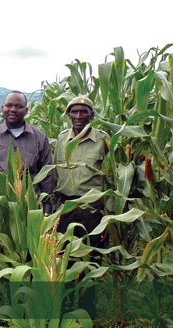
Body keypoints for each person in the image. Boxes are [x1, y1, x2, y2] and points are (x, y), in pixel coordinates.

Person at [0, 90, 53, 228]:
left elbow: (47, 178)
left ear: (26, 110)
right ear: (2, 108)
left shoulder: (39, 138)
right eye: (8, 105)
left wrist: (47, 213)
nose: (13, 109)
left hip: (30, 210)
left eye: (19, 106)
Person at [53, 95, 110, 247]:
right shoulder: (62, 139)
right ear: (68, 115)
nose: (79, 116)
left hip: (92, 210)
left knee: (93, 256)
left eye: (84, 112)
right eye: (74, 112)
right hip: (65, 208)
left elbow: (111, 180)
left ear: (91, 115)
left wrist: (108, 218)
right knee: (64, 257)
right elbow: (54, 174)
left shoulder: (103, 140)